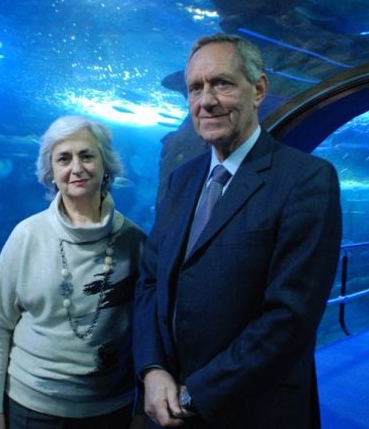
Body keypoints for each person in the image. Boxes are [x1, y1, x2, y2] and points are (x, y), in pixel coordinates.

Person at [133, 33, 342, 428]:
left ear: (258, 89)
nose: (205, 101)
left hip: (255, 410)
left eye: (222, 83)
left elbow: (290, 317)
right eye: (195, 88)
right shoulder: (181, 180)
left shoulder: (306, 179)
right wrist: (152, 367)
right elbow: (149, 282)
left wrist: (197, 392)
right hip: (168, 403)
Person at [0, 115, 147, 429]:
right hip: (32, 408)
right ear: (51, 172)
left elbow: (146, 333)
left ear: (106, 165)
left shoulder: (134, 242)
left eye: (87, 156)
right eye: (64, 159)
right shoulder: (25, 236)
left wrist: (141, 411)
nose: (76, 168)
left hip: (111, 409)